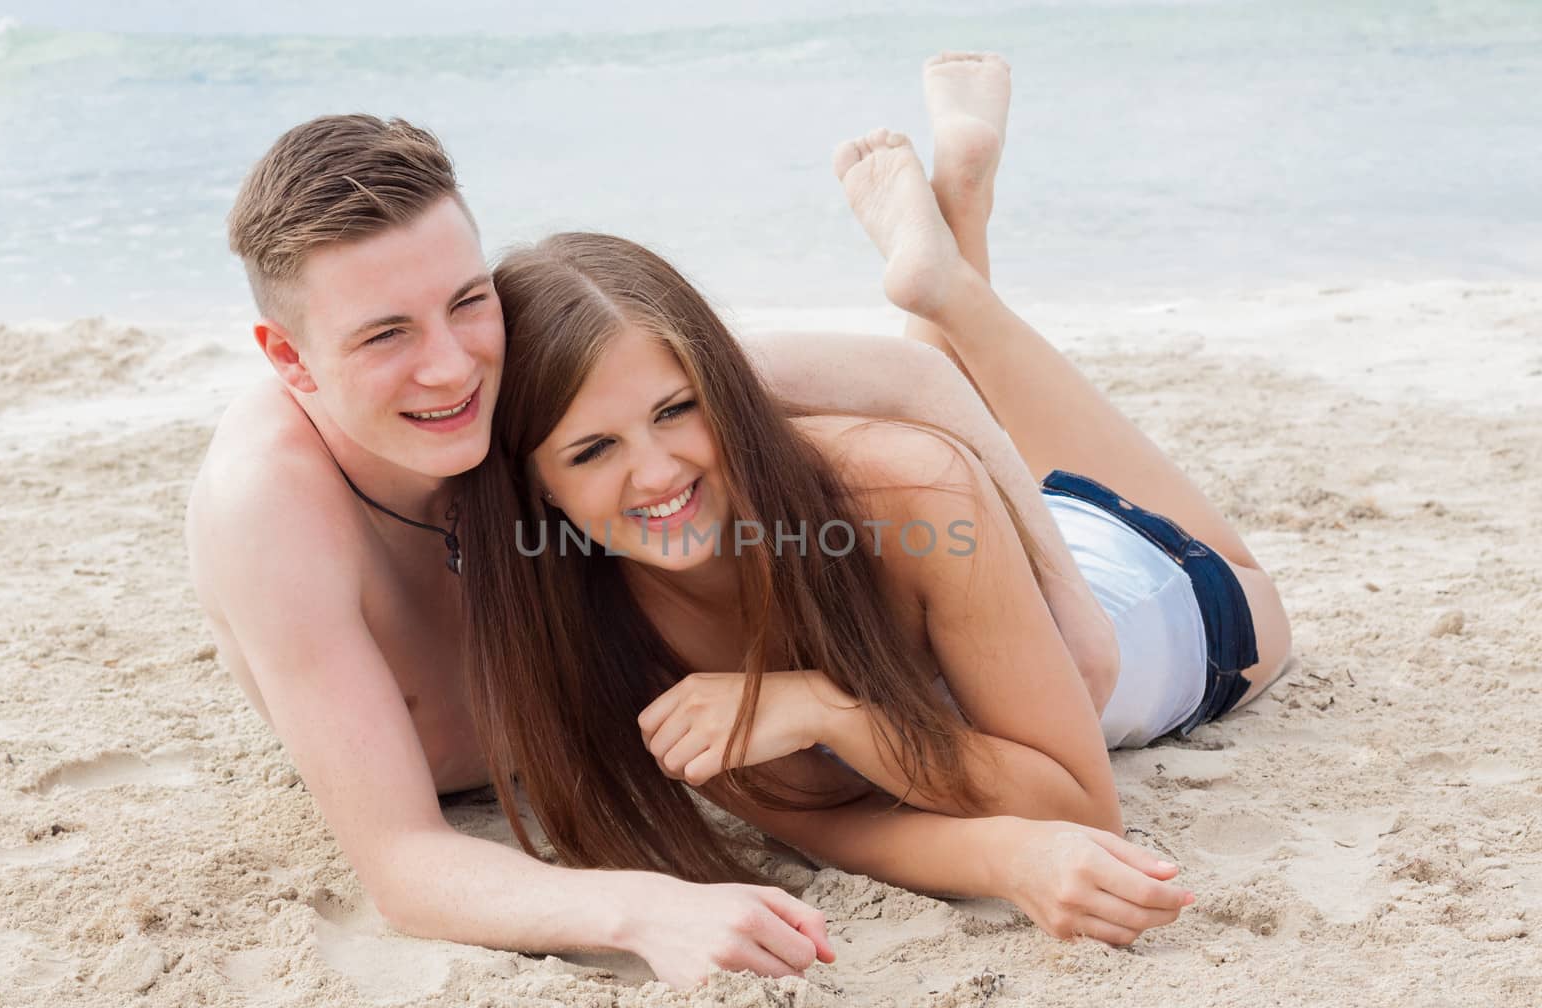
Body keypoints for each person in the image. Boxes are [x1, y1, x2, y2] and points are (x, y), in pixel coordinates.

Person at [186, 55, 1141, 988]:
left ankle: (951, 256)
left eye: (465, 300)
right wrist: (645, 908)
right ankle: (952, 236)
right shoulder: (271, 507)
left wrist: (1074, 605)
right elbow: (402, 861)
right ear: (291, 358)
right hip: (521, 766)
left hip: (911, 614)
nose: (451, 366)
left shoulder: (535, 373)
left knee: (878, 474)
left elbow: (908, 383)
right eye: (386, 333)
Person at [460, 63, 1292, 951]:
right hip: (972, 565)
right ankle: (949, 240)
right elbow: (830, 823)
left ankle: (958, 288)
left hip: (1161, 587)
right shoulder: (592, 611)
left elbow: (1077, 806)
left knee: (1256, 596)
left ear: (725, 390)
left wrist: (827, 710)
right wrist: (1001, 857)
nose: (658, 472)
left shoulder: (910, 488)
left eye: (677, 409)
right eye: (592, 449)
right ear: (536, 480)